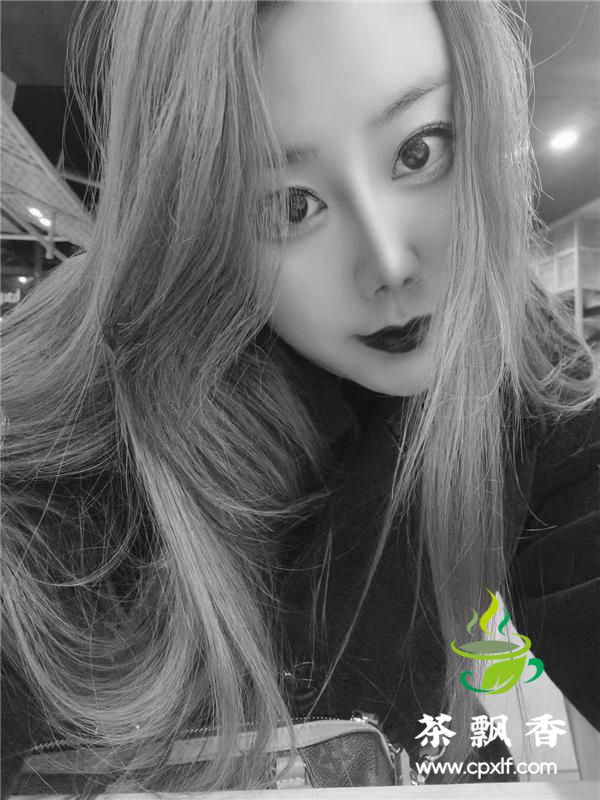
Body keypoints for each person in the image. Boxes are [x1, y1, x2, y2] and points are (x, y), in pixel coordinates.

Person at [2, 0, 599, 794]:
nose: (389, 262)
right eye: (289, 205)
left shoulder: (515, 349)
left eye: (420, 150)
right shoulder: (83, 417)